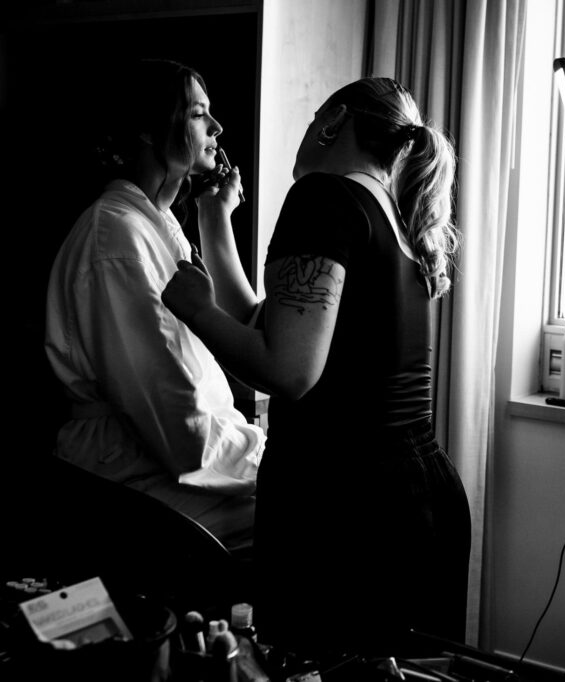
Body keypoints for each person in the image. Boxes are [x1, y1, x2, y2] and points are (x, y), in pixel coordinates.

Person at [161, 76, 472, 661]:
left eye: (311, 122)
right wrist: (216, 218)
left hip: (345, 505)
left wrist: (195, 309)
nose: (305, 135)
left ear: (334, 123)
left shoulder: (324, 196)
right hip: (415, 493)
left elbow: (287, 369)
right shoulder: (394, 211)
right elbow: (269, 325)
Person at [44, 59, 265, 558]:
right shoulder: (117, 236)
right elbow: (171, 413)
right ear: (147, 130)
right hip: (129, 474)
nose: (217, 127)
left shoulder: (158, 223)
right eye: (196, 114)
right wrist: (261, 459)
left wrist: (216, 214)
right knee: (301, 517)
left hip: (165, 455)